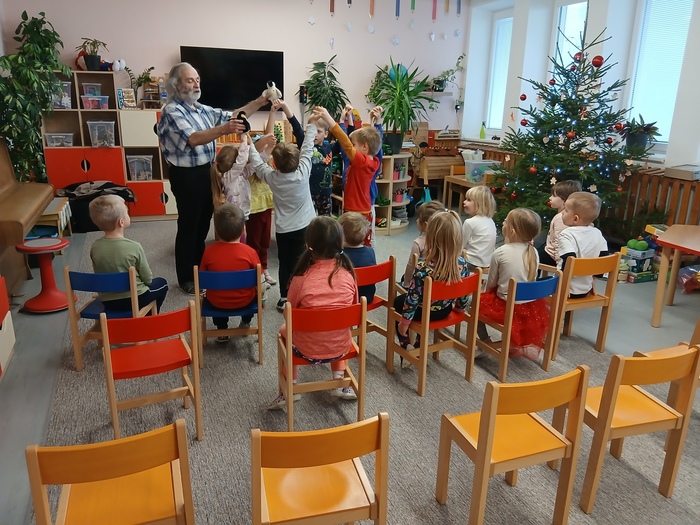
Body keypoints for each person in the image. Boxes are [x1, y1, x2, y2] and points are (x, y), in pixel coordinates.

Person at [157, 62, 273, 295]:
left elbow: (233, 115)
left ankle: (199, 270)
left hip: (207, 171)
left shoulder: (199, 108)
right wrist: (224, 129)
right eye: (190, 80)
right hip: (187, 175)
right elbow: (193, 138)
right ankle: (187, 278)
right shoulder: (172, 111)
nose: (196, 84)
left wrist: (261, 101)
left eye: (197, 79)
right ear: (176, 85)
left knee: (202, 224)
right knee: (189, 225)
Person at [268, 216, 359, 409]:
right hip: (341, 347)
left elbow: (289, 316)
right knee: (337, 326)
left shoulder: (300, 279)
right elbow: (353, 309)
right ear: (340, 244)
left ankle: (290, 387)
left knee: (284, 331)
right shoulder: (349, 275)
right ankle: (339, 381)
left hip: (306, 349)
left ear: (308, 245)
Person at [248, 118, 317, 312]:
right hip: (305, 228)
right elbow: (307, 148)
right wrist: (311, 124)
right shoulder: (303, 172)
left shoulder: (272, 177)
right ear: (298, 160)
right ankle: (304, 294)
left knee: (285, 263)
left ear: (275, 165)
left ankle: (284, 297)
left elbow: (257, 163)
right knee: (306, 261)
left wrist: (247, 140)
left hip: (284, 230)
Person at [479, 208, 550, 359]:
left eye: (505, 220)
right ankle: (512, 343)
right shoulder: (534, 252)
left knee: (473, 303)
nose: (503, 222)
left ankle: (485, 342)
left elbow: (491, 285)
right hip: (530, 307)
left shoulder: (500, 252)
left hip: (506, 307)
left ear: (511, 231)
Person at [394, 211, 470, 352]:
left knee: (398, 301)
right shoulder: (462, 264)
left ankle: (405, 343)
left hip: (424, 313)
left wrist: (404, 324)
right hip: (444, 310)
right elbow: (463, 291)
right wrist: (460, 308)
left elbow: (412, 300)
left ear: (430, 238)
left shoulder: (423, 268)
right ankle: (419, 340)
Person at [314, 105, 383, 246]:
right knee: (363, 244)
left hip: (355, 212)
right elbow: (367, 139)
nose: (352, 147)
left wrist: (328, 118)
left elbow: (344, 142)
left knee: (348, 243)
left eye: (354, 145)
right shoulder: (374, 160)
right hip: (364, 210)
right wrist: (370, 120)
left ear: (364, 147)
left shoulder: (362, 161)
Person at [88, 195, 168, 312]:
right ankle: (149, 316)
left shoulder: (95, 247)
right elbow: (147, 279)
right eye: (127, 212)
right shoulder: (134, 246)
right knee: (162, 283)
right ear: (121, 222)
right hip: (137, 298)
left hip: (108, 302)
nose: (128, 214)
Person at [199, 203, 261, 342]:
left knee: (215, 292)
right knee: (256, 293)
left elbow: (202, 279)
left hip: (216, 302)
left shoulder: (208, 252)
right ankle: (246, 321)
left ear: (216, 229)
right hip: (245, 301)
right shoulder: (250, 252)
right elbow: (260, 279)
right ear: (243, 229)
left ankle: (222, 329)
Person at [275, 99, 334, 216]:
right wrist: (285, 106)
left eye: (319, 131)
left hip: (326, 193)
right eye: (312, 131)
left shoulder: (330, 147)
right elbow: (296, 126)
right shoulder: (305, 143)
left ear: (326, 134)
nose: (315, 134)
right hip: (308, 193)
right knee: (308, 221)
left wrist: (344, 119)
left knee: (326, 222)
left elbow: (345, 141)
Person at [246, 113, 278, 286]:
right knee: (254, 243)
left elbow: (269, 136)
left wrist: (273, 111)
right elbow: (256, 148)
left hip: (266, 207)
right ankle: (255, 273)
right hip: (253, 209)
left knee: (265, 242)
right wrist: (262, 140)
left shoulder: (264, 162)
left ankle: (264, 270)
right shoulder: (251, 164)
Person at [558, 191, 610, 297]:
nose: (562, 213)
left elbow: (568, 260)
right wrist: (593, 280)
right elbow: (603, 258)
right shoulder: (597, 233)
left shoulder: (567, 234)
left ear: (575, 219)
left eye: (566, 210)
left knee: (539, 287)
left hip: (566, 290)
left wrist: (564, 286)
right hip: (586, 290)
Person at [538, 180, 582, 267]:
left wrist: (560, 264)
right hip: (555, 251)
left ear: (565, 200)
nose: (550, 198)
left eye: (554, 196)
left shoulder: (561, 218)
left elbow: (560, 242)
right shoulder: (571, 216)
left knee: (533, 257)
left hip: (553, 255)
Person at [401, 200, 444, 287]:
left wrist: (406, 285)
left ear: (426, 224)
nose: (417, 220)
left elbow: (411, 267)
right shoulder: (447, 240)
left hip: (422, 286)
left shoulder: (418, 243)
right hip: (443, 283)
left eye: (419, 218)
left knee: (403, 278)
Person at [337, 212, 376, 302]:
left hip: (347, 299)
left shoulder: (339, 256)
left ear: (341, 235)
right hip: (368, 297)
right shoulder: (370, 251)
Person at [462, 185, 497, 272]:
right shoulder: (490, 221)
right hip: (487, 262)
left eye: (468, 200)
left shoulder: (469, 222)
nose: (464, 202)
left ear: (479, 204)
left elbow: (461, 245)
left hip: (471, 262)